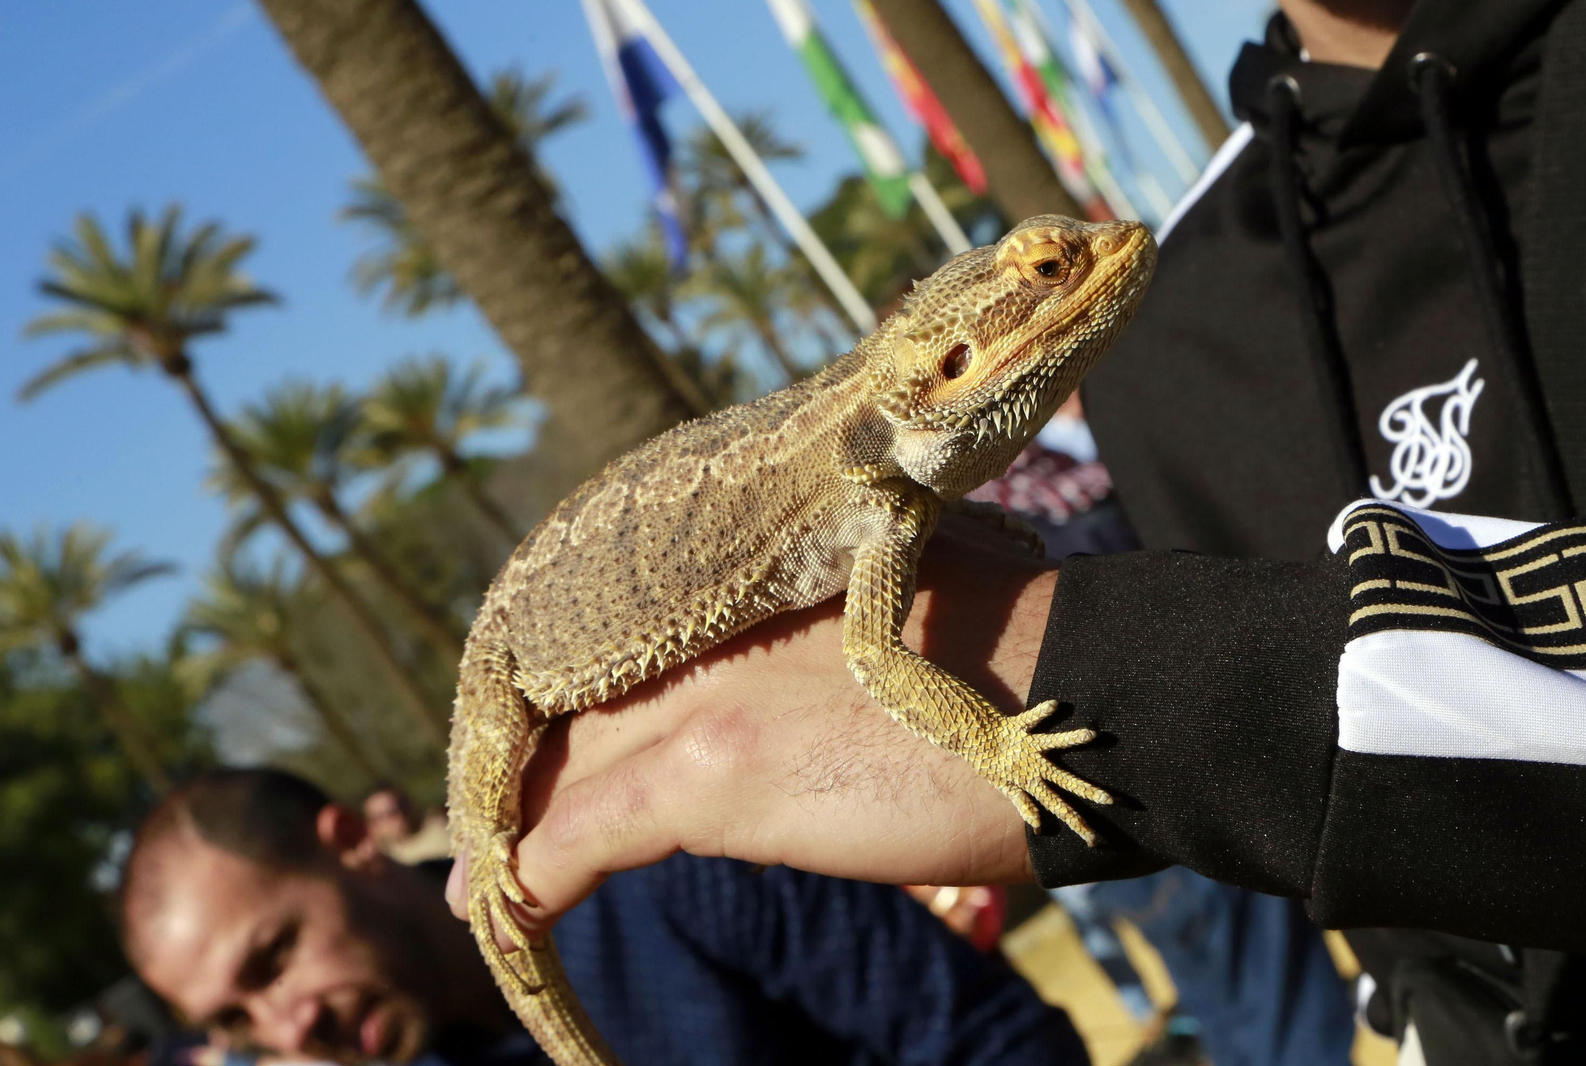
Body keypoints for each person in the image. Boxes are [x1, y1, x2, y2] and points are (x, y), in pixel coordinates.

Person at [444, 1, 1586, 1063]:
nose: (1100, 256)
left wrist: (1117, 700)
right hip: (523, 660)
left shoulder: (918, 480)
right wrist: (1001, 746)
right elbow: (876, 657)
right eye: (1049, 271)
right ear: (948, 364)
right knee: (493, 869)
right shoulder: (883, 489)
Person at [119, 768, 1088, 1066]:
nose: (290, 1027)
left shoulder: (653, 868)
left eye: (273, 958)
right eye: (236, 1020)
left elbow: (991, 1042)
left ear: (349, 843)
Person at [363, 785, 452, 865]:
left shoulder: (443, 823)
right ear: (372, 826)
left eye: (401, 805)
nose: (399, 815)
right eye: (385, 814)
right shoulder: (384, 864)